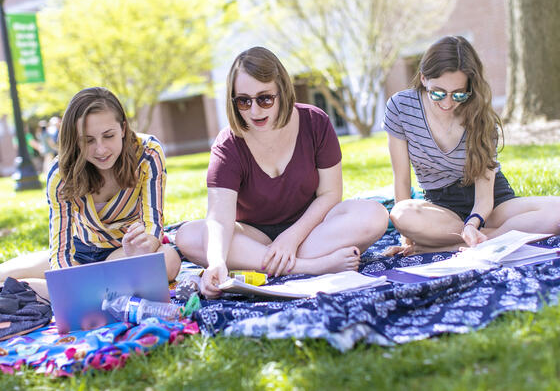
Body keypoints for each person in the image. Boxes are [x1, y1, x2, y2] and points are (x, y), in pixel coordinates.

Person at [175, 46, 388, 298]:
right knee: (188, 236)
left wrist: (291, 238)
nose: (255, 111)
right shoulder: (228, 145)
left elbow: (331, 194)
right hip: (254, 236)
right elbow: (219, 218)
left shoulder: (315, 122)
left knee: (375, 214)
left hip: (312, 230)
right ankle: (311, 267)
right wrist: (217, 262)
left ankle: (269, 262)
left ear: (282, 91)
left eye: (265, 98)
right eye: (243, 100)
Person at [383, 35, 560, 256]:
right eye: (438, 93)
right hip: (442, 209)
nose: (447, 103)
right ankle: (505, 235)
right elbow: (401, 179)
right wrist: (407, 236)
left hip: (490, 203)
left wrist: (473, 223)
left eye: (458, 94)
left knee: (557, 211)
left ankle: (457, 244)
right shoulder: (400, 108)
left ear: (470, 88)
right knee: (401, 213)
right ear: (423, 79)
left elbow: (485, 197)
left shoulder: (481, 118)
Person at [0, 87, 181, 297]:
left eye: (108, 136)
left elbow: (153, 225)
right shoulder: (61, 173)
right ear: (75, 140)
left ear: (123, 129)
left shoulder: (148, 152)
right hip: (82, 251)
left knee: (168, 261)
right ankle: (51, 286)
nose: (101, 149)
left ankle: (53, 288)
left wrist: (143, 249)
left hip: (125, 253)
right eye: (88, 140)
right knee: (6, 273)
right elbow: (61, 251)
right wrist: (67, 273)